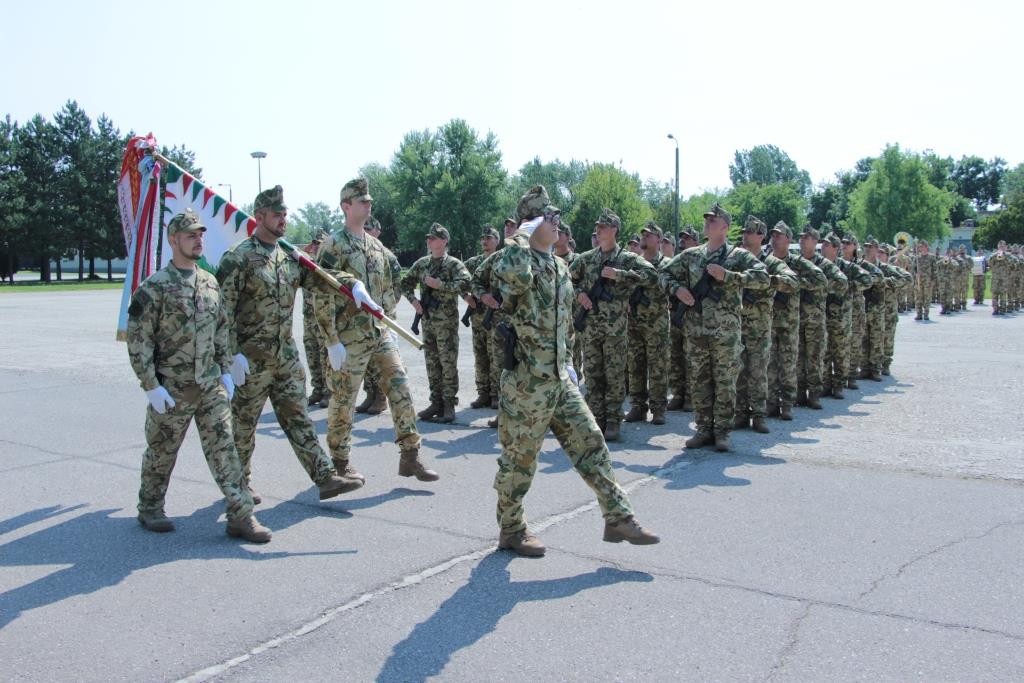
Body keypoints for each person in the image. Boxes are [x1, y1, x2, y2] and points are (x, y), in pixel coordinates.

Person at [492, 197, 658, 557]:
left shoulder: (560, 266)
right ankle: (511, 528)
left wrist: (567, 360)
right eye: (548, 217)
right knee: (520, 460)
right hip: (527, 383)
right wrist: (519, 239)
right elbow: (511, 285)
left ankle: (618, 516)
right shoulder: (515, 259)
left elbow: (564, 321)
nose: (557, 223)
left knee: (592, 443)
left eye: (556, 216)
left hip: (558, 378)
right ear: (529, 224)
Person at [127, 209, 270, 542]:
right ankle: (149, 507)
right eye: (191, 235)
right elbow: (139, 342)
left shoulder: (209, 282)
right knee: (161, 451)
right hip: (172, 387)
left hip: (209, 386)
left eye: (200, 235)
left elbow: (221, 328)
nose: (198, 240)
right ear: (174, 240)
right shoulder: (154, 288)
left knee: (226, 450)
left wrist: (226, 368)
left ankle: (241, 514)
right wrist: (151, 386)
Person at [217, 186, 360, 503]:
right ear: (260, 217)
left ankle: (324, 478)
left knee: (299, 419)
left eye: (285, 213)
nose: (283, 219)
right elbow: (221, 312)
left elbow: (321, 280)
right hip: (250, 361)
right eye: (277, 214)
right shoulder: (238, 259)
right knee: (242, 427)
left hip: (285, 358)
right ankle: (239, 484)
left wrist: (352, 285)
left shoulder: (290, 257)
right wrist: (230, 357)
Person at [316, 178, 439, 484]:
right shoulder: (334, 244)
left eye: (369, 200)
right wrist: (331, 340)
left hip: (379, 333)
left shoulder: (376, 247)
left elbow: (392, 284)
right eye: (362, 201)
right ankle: (340, 462)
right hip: (348, 338)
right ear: (346, 206)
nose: (368, 204)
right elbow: (320, 287)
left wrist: (390, 318)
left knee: (401, 388)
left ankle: (410, 456)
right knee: (344, 399)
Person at [660, 203, 768, 451]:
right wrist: (678, 290)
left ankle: (722, 432)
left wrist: (729, 277)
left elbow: (763, 278)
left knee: (725, 382)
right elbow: (663, 274)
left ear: (725, 228)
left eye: (713, 220)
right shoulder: (691, 255)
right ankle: (703, 429)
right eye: (706, 219)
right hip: (696, 332)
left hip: (726, 334)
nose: (707, 223)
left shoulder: (737, 256)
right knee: (700, 380)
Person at [570, 207, 659, 442]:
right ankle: (596, 418)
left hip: (615, 330)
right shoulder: (586, 259)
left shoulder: (627, 259)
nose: (598, 230)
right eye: (597, 226)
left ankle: (612, 420)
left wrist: (620, 275)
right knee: (593, 374)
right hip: (591, 329)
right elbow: (565, 281)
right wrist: (579, 294)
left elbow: (652, 277)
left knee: (614, 375)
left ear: (614, 230)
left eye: (603, 226)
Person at [401, 224, 471, 424]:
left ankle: (449, 404)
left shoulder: (453, 264)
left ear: (444, 241)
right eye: (428, 238)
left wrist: (441, 285)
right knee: (432, 362)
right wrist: (413, 301)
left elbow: (466, 283)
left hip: (446, 323)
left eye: (433, 238)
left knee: (448, 363)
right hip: (428, 322)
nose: (429, 241)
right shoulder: (422, 263)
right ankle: (436, 402)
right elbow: (405, 283)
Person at [735, 216, 796, 433]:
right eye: (744, 231)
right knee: (738, 371)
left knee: (758, 372)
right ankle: (740, 413)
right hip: (735, 326)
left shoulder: (770, 262)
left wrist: (766, 280)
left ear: (760, 236)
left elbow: (792, 281)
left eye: (750, 232)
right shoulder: (737, 259)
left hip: (760, 329)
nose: (745, 235)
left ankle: (759, 415)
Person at [767, 222, 824, 419]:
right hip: (768, 320)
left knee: (788, 363)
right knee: (769, 364)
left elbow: (821, 280)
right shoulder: (765, 262)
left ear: (788, 239)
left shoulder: (798, 263)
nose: (775, 239)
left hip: (790, 321)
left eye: (779, 236)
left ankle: (787, 404)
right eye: (773, 235)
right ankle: (771, 403)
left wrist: (796, 284)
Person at [353, 216, 401, 416]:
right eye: (364, 227)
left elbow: (396, 285)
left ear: (378, 232)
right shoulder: (361, 253)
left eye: (369, 228)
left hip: (381, 314)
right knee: (367, 358)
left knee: (381, 359)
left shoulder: (386, 255)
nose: (365, 230)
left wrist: (387, 308)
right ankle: (370, 394)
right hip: (363, 314)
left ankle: (381, 397)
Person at [624, 221, 671, 425]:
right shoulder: (633, 262)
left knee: (658, 366)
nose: (644, 238)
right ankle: (637, 406)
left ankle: (658, 408)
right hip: (634, 322)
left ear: (659, 240)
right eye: (643, 235)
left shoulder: (667, 264)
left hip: (657, 323)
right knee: (636, 364)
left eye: (649, 235)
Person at [796, 226, 846, 409]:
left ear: (815, 241)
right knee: (797, 358)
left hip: (816, 318)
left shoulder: (824, 265)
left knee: (815, 357)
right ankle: (799, 394)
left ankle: (815, 394)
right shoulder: (795, 262)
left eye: (806, 237)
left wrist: (816, 287)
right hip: (795, 317)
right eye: (801, 237)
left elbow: (841, 283)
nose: (802, 240)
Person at [822, 232, 871, 398]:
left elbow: (867, 280)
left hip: (841, 316)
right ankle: (826, 384)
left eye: (827, 245)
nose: (823, 247)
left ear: (835, 249)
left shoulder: (846, 266)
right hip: (822, 314)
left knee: (841, 351)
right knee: (824, 351)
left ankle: (839, 385)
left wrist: (848, 286)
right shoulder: (819, 265)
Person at [462, 225, 501, 409]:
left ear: (497, 241)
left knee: (496, 355)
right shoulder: (472, 263)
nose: (485, 241)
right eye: (483, 238)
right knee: (480, 356)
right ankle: (483, 393)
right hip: (477, 317)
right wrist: (465, 296)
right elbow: (460, 280)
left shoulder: (503, 260)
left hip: (496, 318)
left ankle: (495, 394)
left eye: (489, 237)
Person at [667, 226, 700, 412]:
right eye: (681, 239)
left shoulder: (699, 260)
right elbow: (665, 276)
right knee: (676, 356)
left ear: (695, 241)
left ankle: (690, 396)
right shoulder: (678, 262)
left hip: (694, 317)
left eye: (687, 239)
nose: (682, 242)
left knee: (691, 358)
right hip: (677, 314)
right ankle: (678, 394)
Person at [302, 230, 330, 408]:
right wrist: (307, 250)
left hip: (324, 320)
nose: (316, 246)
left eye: (320, 244)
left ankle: (329, 392)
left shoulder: (328, 266)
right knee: (312, 356)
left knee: (325, 357)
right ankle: (317, 389)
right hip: (308, 320)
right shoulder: (307, 263)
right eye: (314, 243)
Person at [911, 240, 937, 321]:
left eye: (922, 246)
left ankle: (926, 314)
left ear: (926, 247)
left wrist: (933, 280)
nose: (920, 248)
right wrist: (915, 274)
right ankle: (919, 314)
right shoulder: (917, 258)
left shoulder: (931, 257)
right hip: (919, 281)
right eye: (919, 247)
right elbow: (914, 268)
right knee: (918, 298)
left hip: (927, 281)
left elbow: (935, 270)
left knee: (927, 298)